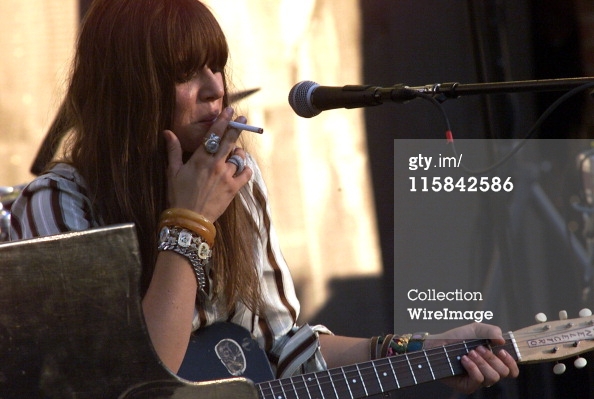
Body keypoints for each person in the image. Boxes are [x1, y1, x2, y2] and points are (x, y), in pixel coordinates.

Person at [9, 0, 518, 395]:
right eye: (187, 72)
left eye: (217, 67)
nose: (215, 89)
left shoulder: (237, 180)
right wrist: (188, 220)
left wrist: (420, 351)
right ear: (128, 91)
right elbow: (141, 384)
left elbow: (285, 349)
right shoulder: (54, 206)